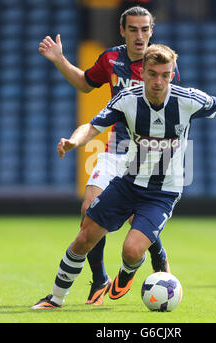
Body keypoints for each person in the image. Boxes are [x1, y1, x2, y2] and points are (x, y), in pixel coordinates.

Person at [32, 43, 216, 309]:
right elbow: (92, 126)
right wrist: (74, 143)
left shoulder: (187, 99)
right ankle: (55, 299)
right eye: (153, 74)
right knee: (85, 236)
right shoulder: (127, 100)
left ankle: (129, 268)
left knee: (131, 251)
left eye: (165, 75)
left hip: (162, 192)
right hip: (128, 183)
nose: (159, 81)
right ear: (142, 72)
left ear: (172, 74)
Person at [38, 6, 180, 306]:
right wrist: (60, 60)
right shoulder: (111, 59)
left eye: (145, 29)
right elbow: (85, 84)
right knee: (89, 212)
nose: (139, 36)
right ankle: (100, 279)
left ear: (151, 31)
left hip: (149, 155)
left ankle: (154, 253)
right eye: (133, 29)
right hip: (116, 147)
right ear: (123, 31)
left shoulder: (162, 66)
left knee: (135, 214)